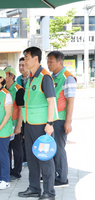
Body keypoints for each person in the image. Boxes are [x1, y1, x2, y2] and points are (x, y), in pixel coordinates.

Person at [18, 47, 58, 200]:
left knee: (45, 159)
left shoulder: (44, 77)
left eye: (27, 58)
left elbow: (51, 102)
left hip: (42, 126)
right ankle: (34, 188)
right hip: (29, 125)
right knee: (32, 159)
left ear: (35, 59)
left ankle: (49, 192)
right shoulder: (31, 77)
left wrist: (50, 123)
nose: (25, 61)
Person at [47, 51, 76, 188]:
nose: (48, 64)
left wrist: (68, 122)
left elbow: (70, 101)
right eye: (48, 61)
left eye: (51, 61)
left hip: (61, 119)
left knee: (59, 149)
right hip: (52, 118)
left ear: (60, 62)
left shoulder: (67, 77)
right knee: (53, 148)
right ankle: (54, 174)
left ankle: (62, 178)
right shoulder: (52, 77)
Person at [4, 67, 25, 181]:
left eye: (5, 74)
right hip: (5, 125)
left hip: (15, 124)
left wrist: (18, 126)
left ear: (12, 76)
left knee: (17, 149)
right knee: (7, 148)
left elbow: (21, 109)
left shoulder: (19, 90)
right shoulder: (4, 89)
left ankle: (17, 172)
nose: (3, 77)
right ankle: (8, 170)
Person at [17, 57, 29, 165]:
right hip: (20, 111)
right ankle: (24, 158)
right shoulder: (18, 79)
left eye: (23, 65)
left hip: (30, 113)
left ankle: (28, 158)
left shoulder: (33, 78)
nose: (21, 67)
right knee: (21, 135)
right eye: (20, 65)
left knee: (27, 136)